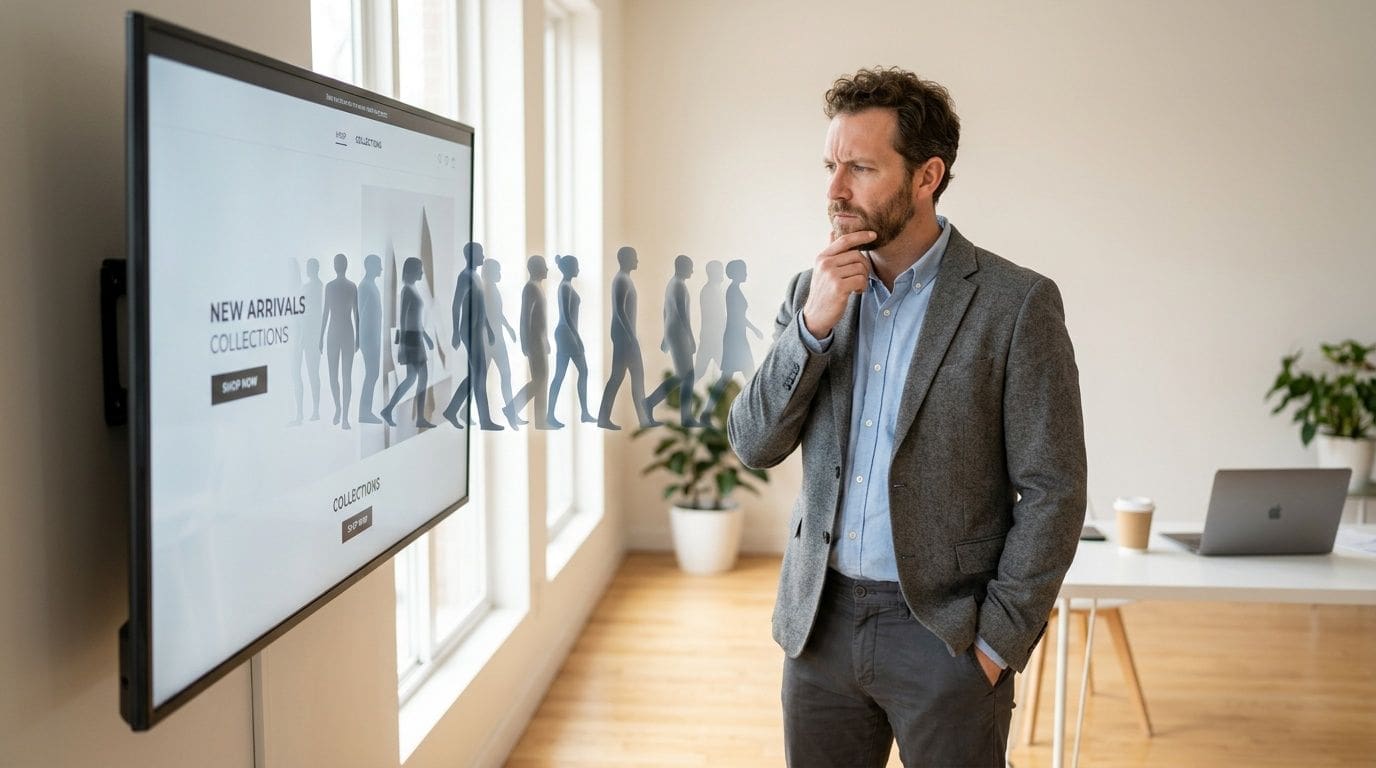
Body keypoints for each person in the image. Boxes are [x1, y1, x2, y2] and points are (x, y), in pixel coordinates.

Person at [726, 67, 1086, 767]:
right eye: (831, 166)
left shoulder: (1015, 305)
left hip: (947, 637)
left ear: (927, 176)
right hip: (818, 629)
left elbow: (1054, 490)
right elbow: (754, 443)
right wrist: (812, 326)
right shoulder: (813, 291)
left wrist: (994, 646)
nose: (834, 190)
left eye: (860, 167)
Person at [380, 257, 435, 429]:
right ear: (412, 270)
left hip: (415, 338)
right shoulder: (407, 291)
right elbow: (403, 319)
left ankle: (389, 410)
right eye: (419, 268)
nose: (422, 272)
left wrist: (425, 337)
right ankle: (417, 417)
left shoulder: (412, 289)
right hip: (412, 341)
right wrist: (402, 347)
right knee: (421, 378)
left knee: (412, 378)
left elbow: (415, 319)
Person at [645, 254, 698, 426]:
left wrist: (665, 335)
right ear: (682, 267)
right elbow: (682, 314)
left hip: (673, 332)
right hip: (679, 333)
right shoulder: (678, 286)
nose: (692, 270)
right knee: (686, 375)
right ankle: (651, 403)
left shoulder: (673, 284)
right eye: (690, 267)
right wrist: (690, 338)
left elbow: (665, 311)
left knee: (685, 375)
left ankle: (684, 416)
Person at [546, 254, 597, 425]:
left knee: (575, 373)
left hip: (566, 334)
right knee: (565, 374)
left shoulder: (566, 286)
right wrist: (577, 337)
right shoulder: (565, 287)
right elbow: (566, 316)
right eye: (576, 266)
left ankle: (583, 413)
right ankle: (552, 415)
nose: (578, 269)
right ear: (569, 268)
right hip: (566, 334)